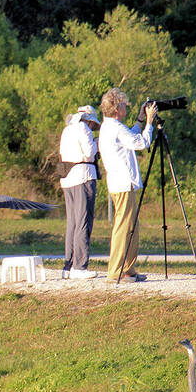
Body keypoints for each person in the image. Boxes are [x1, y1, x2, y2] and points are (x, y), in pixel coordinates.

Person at [99, 88, 157, 283]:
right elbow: (141, 143)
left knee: (132, 225)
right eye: (123, 104)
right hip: (123, 184)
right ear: (116, 108)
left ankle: (128, 268)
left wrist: (140, 122)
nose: (126, 107)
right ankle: (116, 271)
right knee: (124, 226)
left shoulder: (112, 126)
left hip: (122, 183)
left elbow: (130, 136)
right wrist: (149, 123)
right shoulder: (115, 127)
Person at [59, 105, 101, 279]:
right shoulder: (84, 128)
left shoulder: (67, 129)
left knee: (73, 223)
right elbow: (90, 152)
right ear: (89, 120)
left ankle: (68, 266)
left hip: (67, 178)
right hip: (83, 177)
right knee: (84, 221)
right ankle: (80, 266)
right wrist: (97, 143)